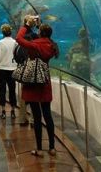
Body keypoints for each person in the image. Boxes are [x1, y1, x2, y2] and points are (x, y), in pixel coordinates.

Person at [16, 16, 59, 157]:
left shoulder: (35, 44)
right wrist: (39, 27)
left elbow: (19, 39)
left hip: (33, 83)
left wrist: (27, 25)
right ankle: (52, 148)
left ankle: (39, 149)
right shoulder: (52, 45)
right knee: (48, 116)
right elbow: (45, 38)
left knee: (36, 116)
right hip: (45, 82)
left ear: (40, 32)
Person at [0, 23, 18, 120]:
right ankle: (13, 111)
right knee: (12, 90)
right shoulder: (15, 42)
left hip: (2, 70)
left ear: (2, 32)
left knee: (2, 90)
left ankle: (3, 111)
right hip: (13, 69)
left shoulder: (1, 43)